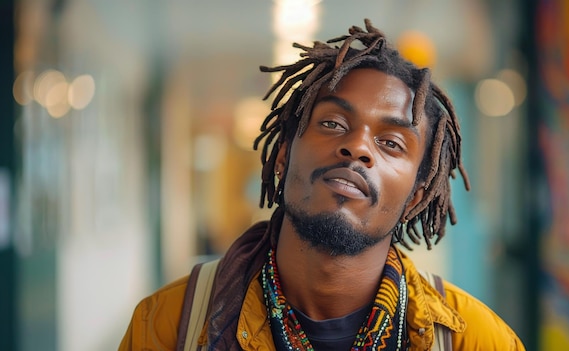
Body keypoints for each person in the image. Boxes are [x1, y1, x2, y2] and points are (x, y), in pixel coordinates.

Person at [119, 19, 525, 350]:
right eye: (333, 124)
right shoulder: (169, 327)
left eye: (391, 143)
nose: (357, 147)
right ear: (283, 156)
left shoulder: (473, 339)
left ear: (416, 196)